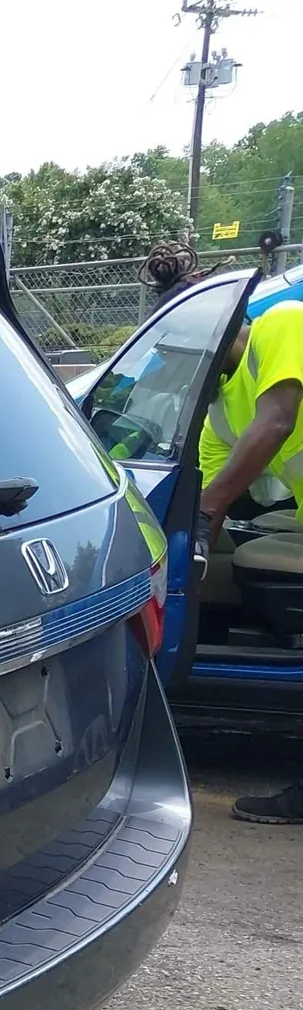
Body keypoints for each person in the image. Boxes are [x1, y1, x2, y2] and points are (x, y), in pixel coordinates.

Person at [195, 300, 303, 822]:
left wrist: (208, 506)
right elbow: (208, 506)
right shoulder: (219, 415)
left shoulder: (283, 322)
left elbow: (277, 421)